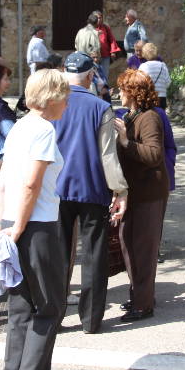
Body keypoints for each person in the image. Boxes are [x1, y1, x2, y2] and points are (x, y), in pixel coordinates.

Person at [0, 69, 70, 370]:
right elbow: (30, 184)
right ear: (51, 99)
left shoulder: (19, 128)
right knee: (50, 307)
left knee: (21, 308)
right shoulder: (43, 131)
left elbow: (3, 183)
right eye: (64, 96)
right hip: (36, 227)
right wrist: (19, 228)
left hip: (13, 221)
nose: (67, 103)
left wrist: (1, 225)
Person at [54, 52, 129, 334]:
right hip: (92, 189)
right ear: (89, 76)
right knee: (94, 256)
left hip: (57, 190)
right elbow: (108, 156)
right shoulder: (100, 108)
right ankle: (90, 320)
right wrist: (120, 190)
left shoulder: (52, 104)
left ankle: (55, 315)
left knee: (58, 254)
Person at [113, 69, 169, 322]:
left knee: (143, 250)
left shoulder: (149, 118)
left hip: (149, 193)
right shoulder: (132, 115)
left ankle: (143, 304)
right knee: (129, 245)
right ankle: (139, 296)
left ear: (133, 92)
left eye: (122, 89)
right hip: (134, 192)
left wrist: (125, 141)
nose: (118, 94)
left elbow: (155, 155)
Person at [138, 43, 171, 109]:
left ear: (144, 53)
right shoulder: (163, 65)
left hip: (149, 97)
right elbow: (168, 82)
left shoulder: (143, 66)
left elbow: (139, 83)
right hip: (162, 98)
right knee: (160, 118)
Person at [93, 10, 121, 80]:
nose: (99, 19)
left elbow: (112, 39)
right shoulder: (90, 28)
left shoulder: (105, 27)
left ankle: (105, 90)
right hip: (94, 57)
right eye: (97, 18)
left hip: (105, 56)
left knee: (104, 75)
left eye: (100, 18)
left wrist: (113, 51)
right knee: (94, 75)